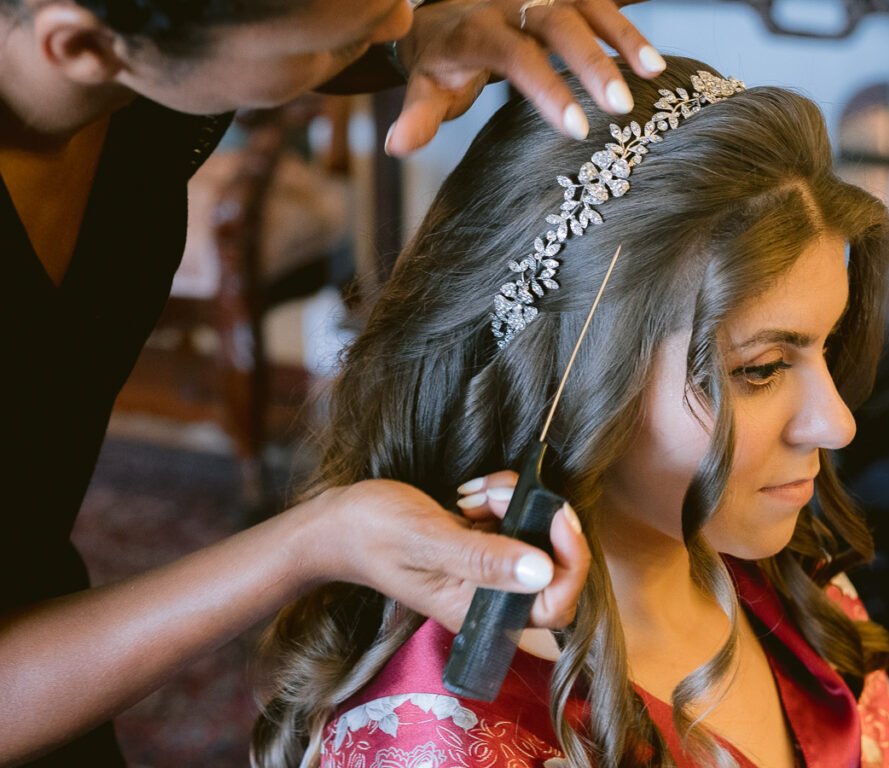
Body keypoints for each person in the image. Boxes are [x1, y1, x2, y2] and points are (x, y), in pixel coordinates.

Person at [0, 0, 667, 764]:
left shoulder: (123, 58)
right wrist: (310, 545)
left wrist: (422, 33)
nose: (393, 22)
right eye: (356, 28)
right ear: (83, 46)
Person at [251, 56, 889, 767]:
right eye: (760, 369)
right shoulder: (439, 732)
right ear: (567, 379)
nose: (837, 423)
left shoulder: (788, 580)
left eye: (826, 346)